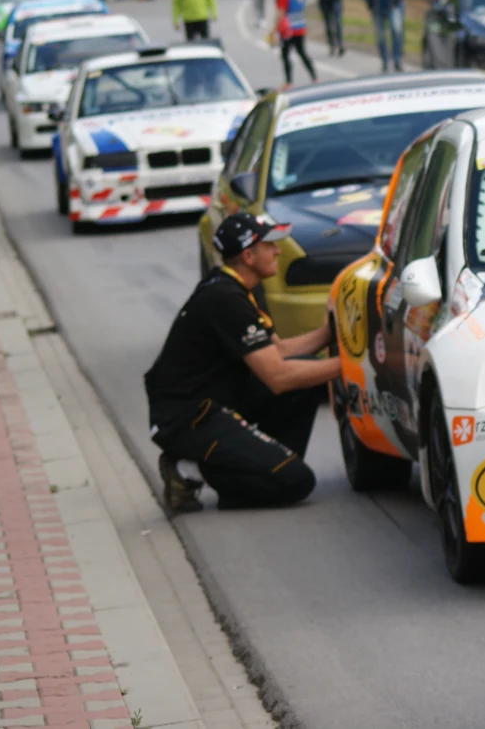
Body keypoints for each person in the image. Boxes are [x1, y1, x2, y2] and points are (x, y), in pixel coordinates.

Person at [144, 213, 339, 513]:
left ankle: (266, 465)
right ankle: (188, 469)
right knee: (297, 482)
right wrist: (351, 367)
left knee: (303, 378)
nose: (277, 250)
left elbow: (280, 350)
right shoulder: (224, 299)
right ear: (248, 255)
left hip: (212, 402)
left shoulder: (232, 287)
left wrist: (332, 332)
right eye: (270, 245)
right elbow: (277, 376)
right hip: (188, 418)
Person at [276, 0, 318, 88]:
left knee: (285, 54)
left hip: (288, 27)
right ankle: (314, 76)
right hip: (300, 24)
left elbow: (281, 11)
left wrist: (274, 29)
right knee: (302, 52)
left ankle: (288, 81)